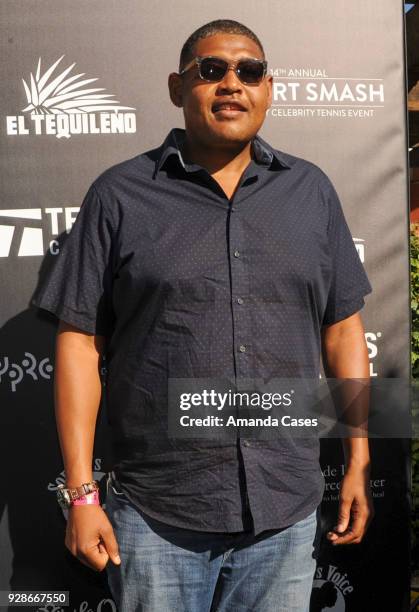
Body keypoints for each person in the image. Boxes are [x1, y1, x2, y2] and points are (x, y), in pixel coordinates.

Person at [32, 19, 374, 612]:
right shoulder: (119, 194)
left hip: (284, 513)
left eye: (250, 71)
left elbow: (343, 331)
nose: (232, 84)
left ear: (269, 88)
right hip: (156, 517)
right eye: (211, 70)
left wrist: (359, 461)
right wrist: (82, 497)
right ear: (176, 87)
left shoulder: (312, 191)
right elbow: (79, 344)